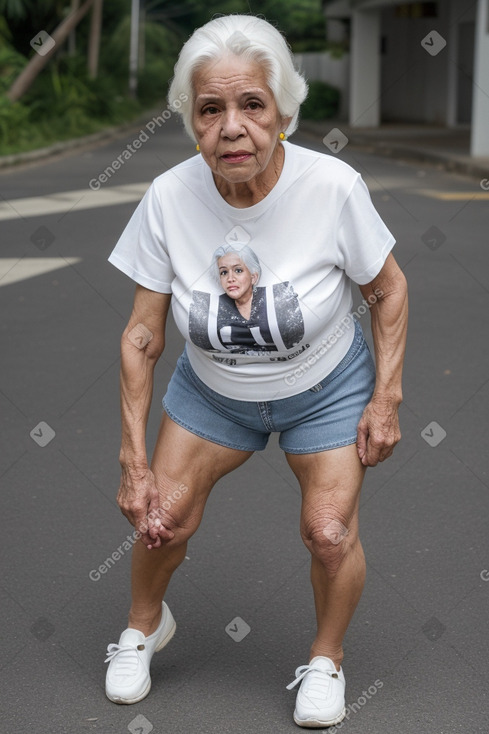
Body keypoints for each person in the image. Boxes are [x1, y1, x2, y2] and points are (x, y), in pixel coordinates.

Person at [104, 13, 408, 728]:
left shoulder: (330, 186)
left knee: (328, 531)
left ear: (282, 113)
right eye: (211, 109)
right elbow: (143, 334)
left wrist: (385, 397)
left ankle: (326, 660)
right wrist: (131, 456)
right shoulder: (170, 198)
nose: (232, 127)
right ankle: (143, 627)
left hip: (325, 391)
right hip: (214, 394)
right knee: (160, 521)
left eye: (251, 106)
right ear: (192, 120)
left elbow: (387, 289)